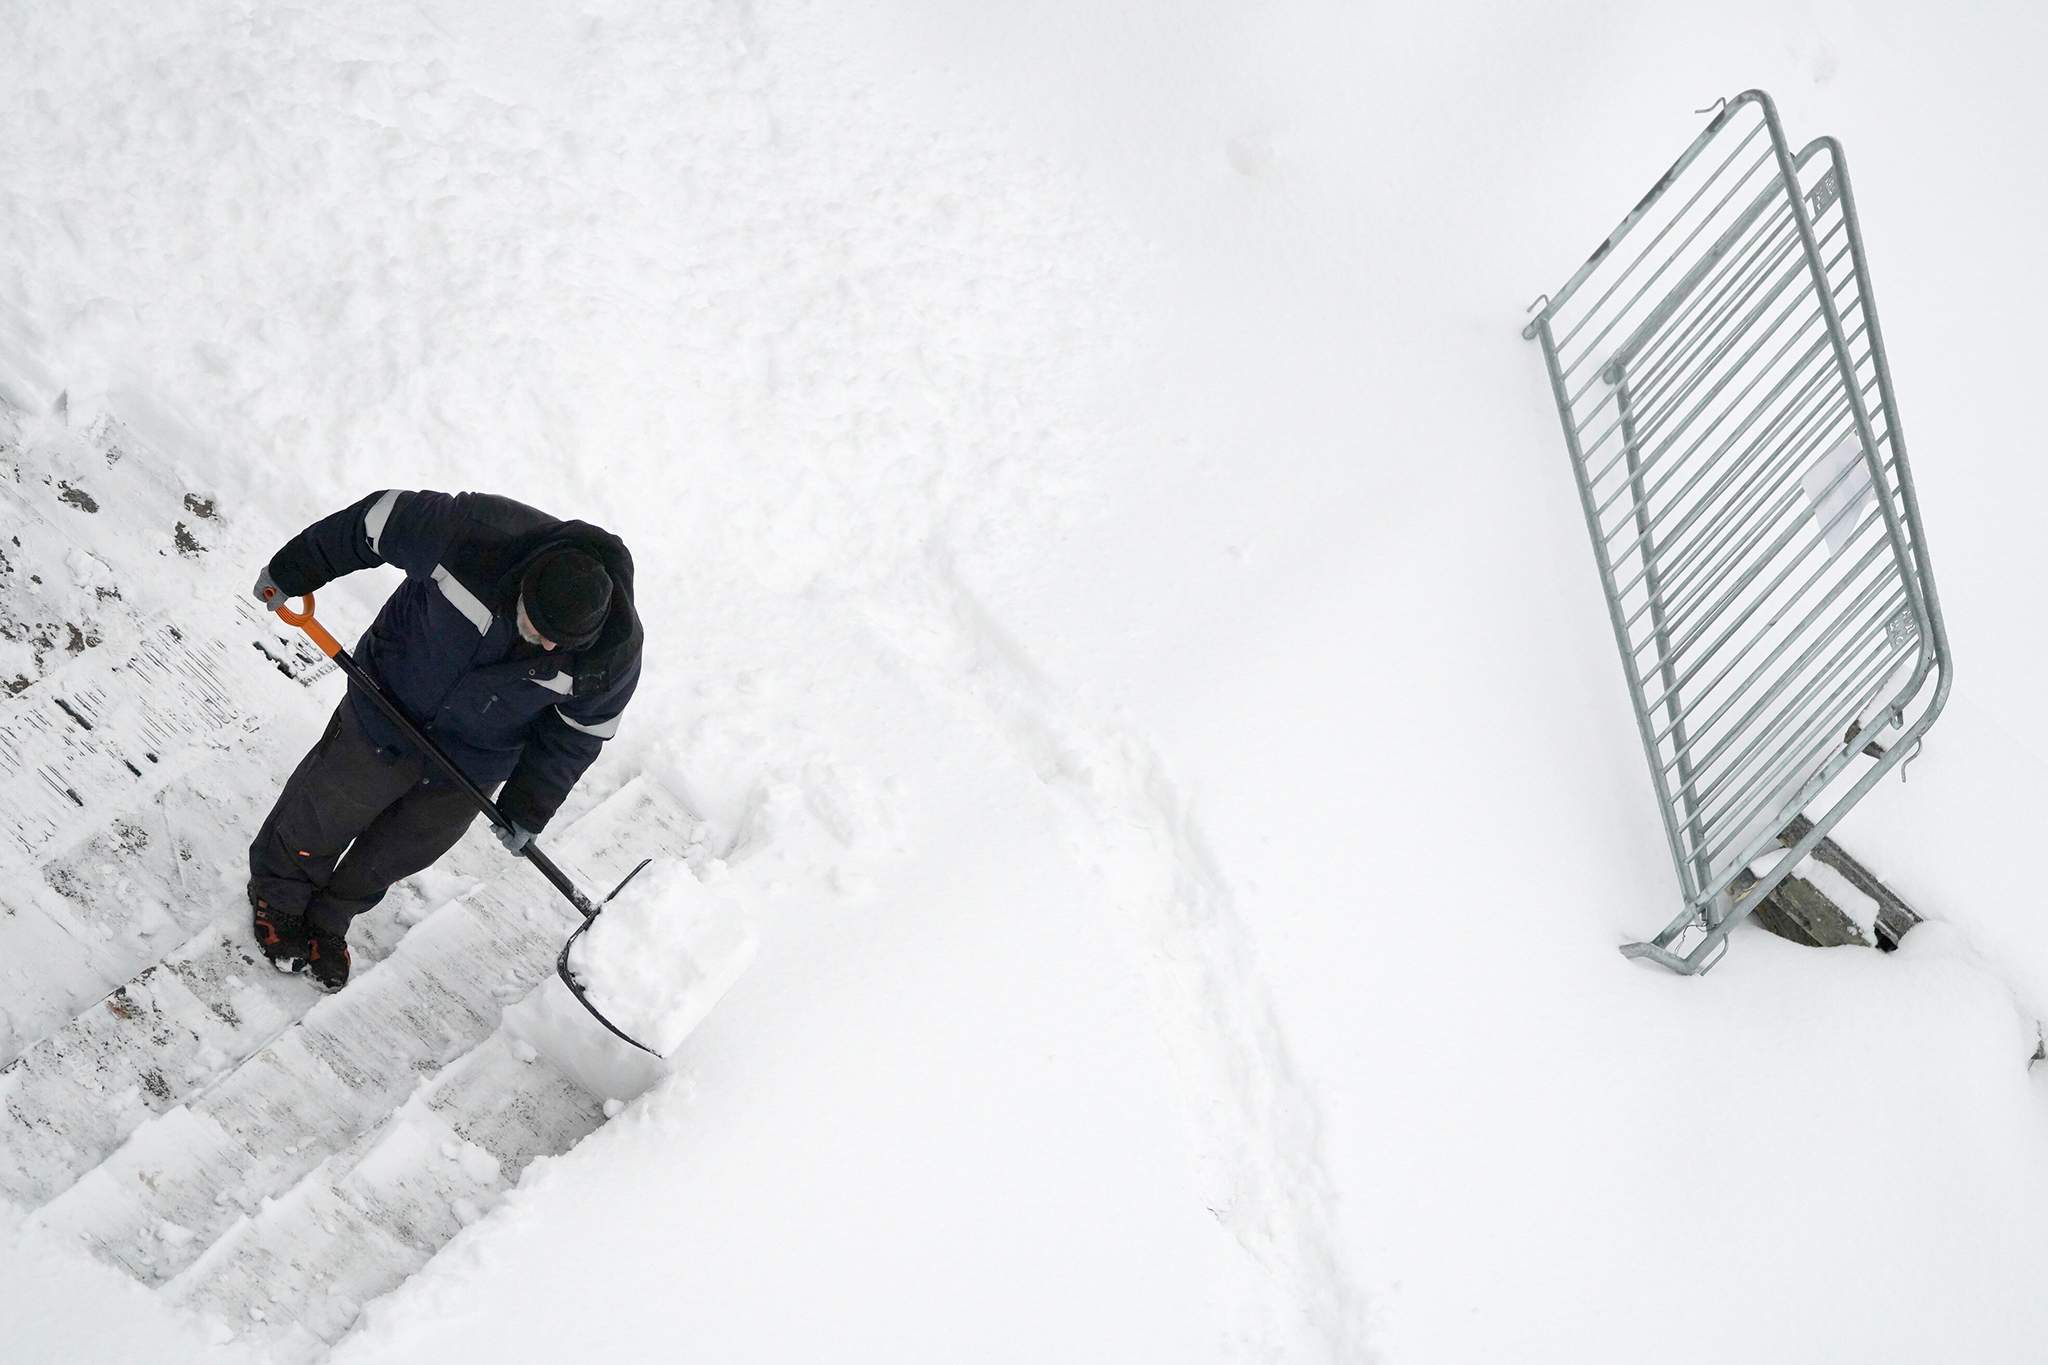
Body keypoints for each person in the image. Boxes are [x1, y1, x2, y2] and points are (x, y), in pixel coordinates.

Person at [246, 489, 642, 990]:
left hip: (477, 758)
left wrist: (528, 807)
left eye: (558, 644)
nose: (545, 646)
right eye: (538, 629)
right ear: (525, 586)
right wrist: (291, 571)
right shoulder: (477, 535)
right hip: (389, 699)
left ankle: (331, 916)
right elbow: (373, 522)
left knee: (401, 849)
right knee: (329, 808)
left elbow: (576, 736)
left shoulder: (611, 655)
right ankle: (278, 896)